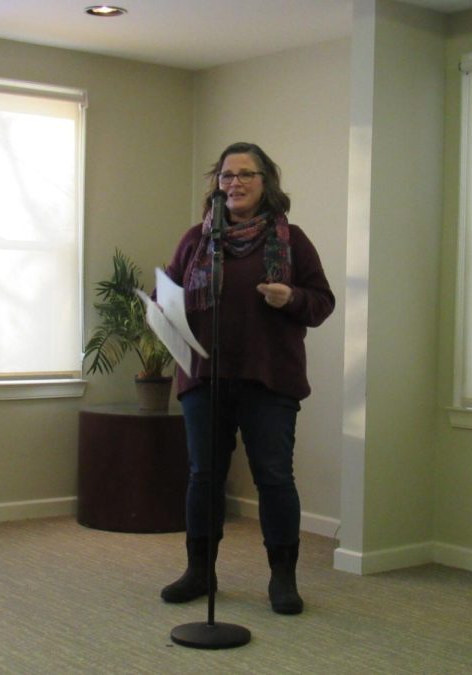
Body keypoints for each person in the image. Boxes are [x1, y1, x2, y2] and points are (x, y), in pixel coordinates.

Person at [159, 142, 335, 615]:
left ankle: (282, 578)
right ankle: (200, 571)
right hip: (205, 378)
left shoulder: (292, 240)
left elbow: (321, 302)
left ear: (266, 183)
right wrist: (163, 308)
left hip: (268, 379)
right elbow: (170, 295)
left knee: (274, 479)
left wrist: (290, 298)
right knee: (203, 477)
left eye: (245, 175)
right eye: (226, 175)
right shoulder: (196, 241)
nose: (234, 183)